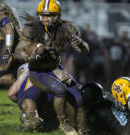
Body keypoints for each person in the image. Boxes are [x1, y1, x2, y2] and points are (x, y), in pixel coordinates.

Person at [12, 0, 89, 134]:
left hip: (56, 69)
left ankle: (83, 129)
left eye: (49, 15)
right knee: (60, 90)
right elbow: (18, 51)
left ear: (58, 16)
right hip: (38, 71)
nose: (46, 19)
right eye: (43, 15)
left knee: (78, 98)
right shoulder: (32, 29)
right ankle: (63, 124)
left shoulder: (67, 28)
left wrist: (81, 43)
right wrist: (30, 56)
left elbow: (84, 50)